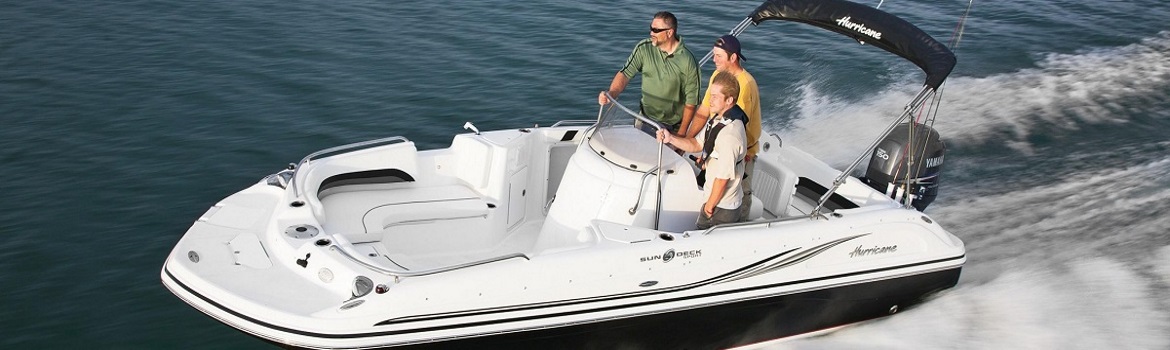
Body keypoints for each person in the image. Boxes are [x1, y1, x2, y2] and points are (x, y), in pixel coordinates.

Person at [657, 71, 747, 229]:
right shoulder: (719, 120)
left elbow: (722, 179)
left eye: (715, 96)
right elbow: (697, 145)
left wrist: (708, 208)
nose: (710, 101)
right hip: (714, 200)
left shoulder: (730, 135)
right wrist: (671, 138)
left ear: (729, 100)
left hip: (722, 208)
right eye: (710, 95)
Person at [688, 34, 761, 222]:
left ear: (733, 57)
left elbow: (737, 128)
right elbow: (704, 111)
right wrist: (687, 139)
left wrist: (710, 150)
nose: (713, 60)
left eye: (718, 56)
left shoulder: (745, 84)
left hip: (739, 153)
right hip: (715, 143)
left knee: (739, 192)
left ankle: (738, 227)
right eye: (713, 55)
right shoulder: (718, 76)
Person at [598, 11, 701, 136]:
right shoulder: (644, 48)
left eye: (656, 30)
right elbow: (625, 74)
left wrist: (681, 135)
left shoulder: (688, 61)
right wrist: (612, 93)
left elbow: (691, 102)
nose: (651, 33)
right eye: (651, 28)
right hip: (644, 119)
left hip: (671, 127)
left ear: (669, 32)